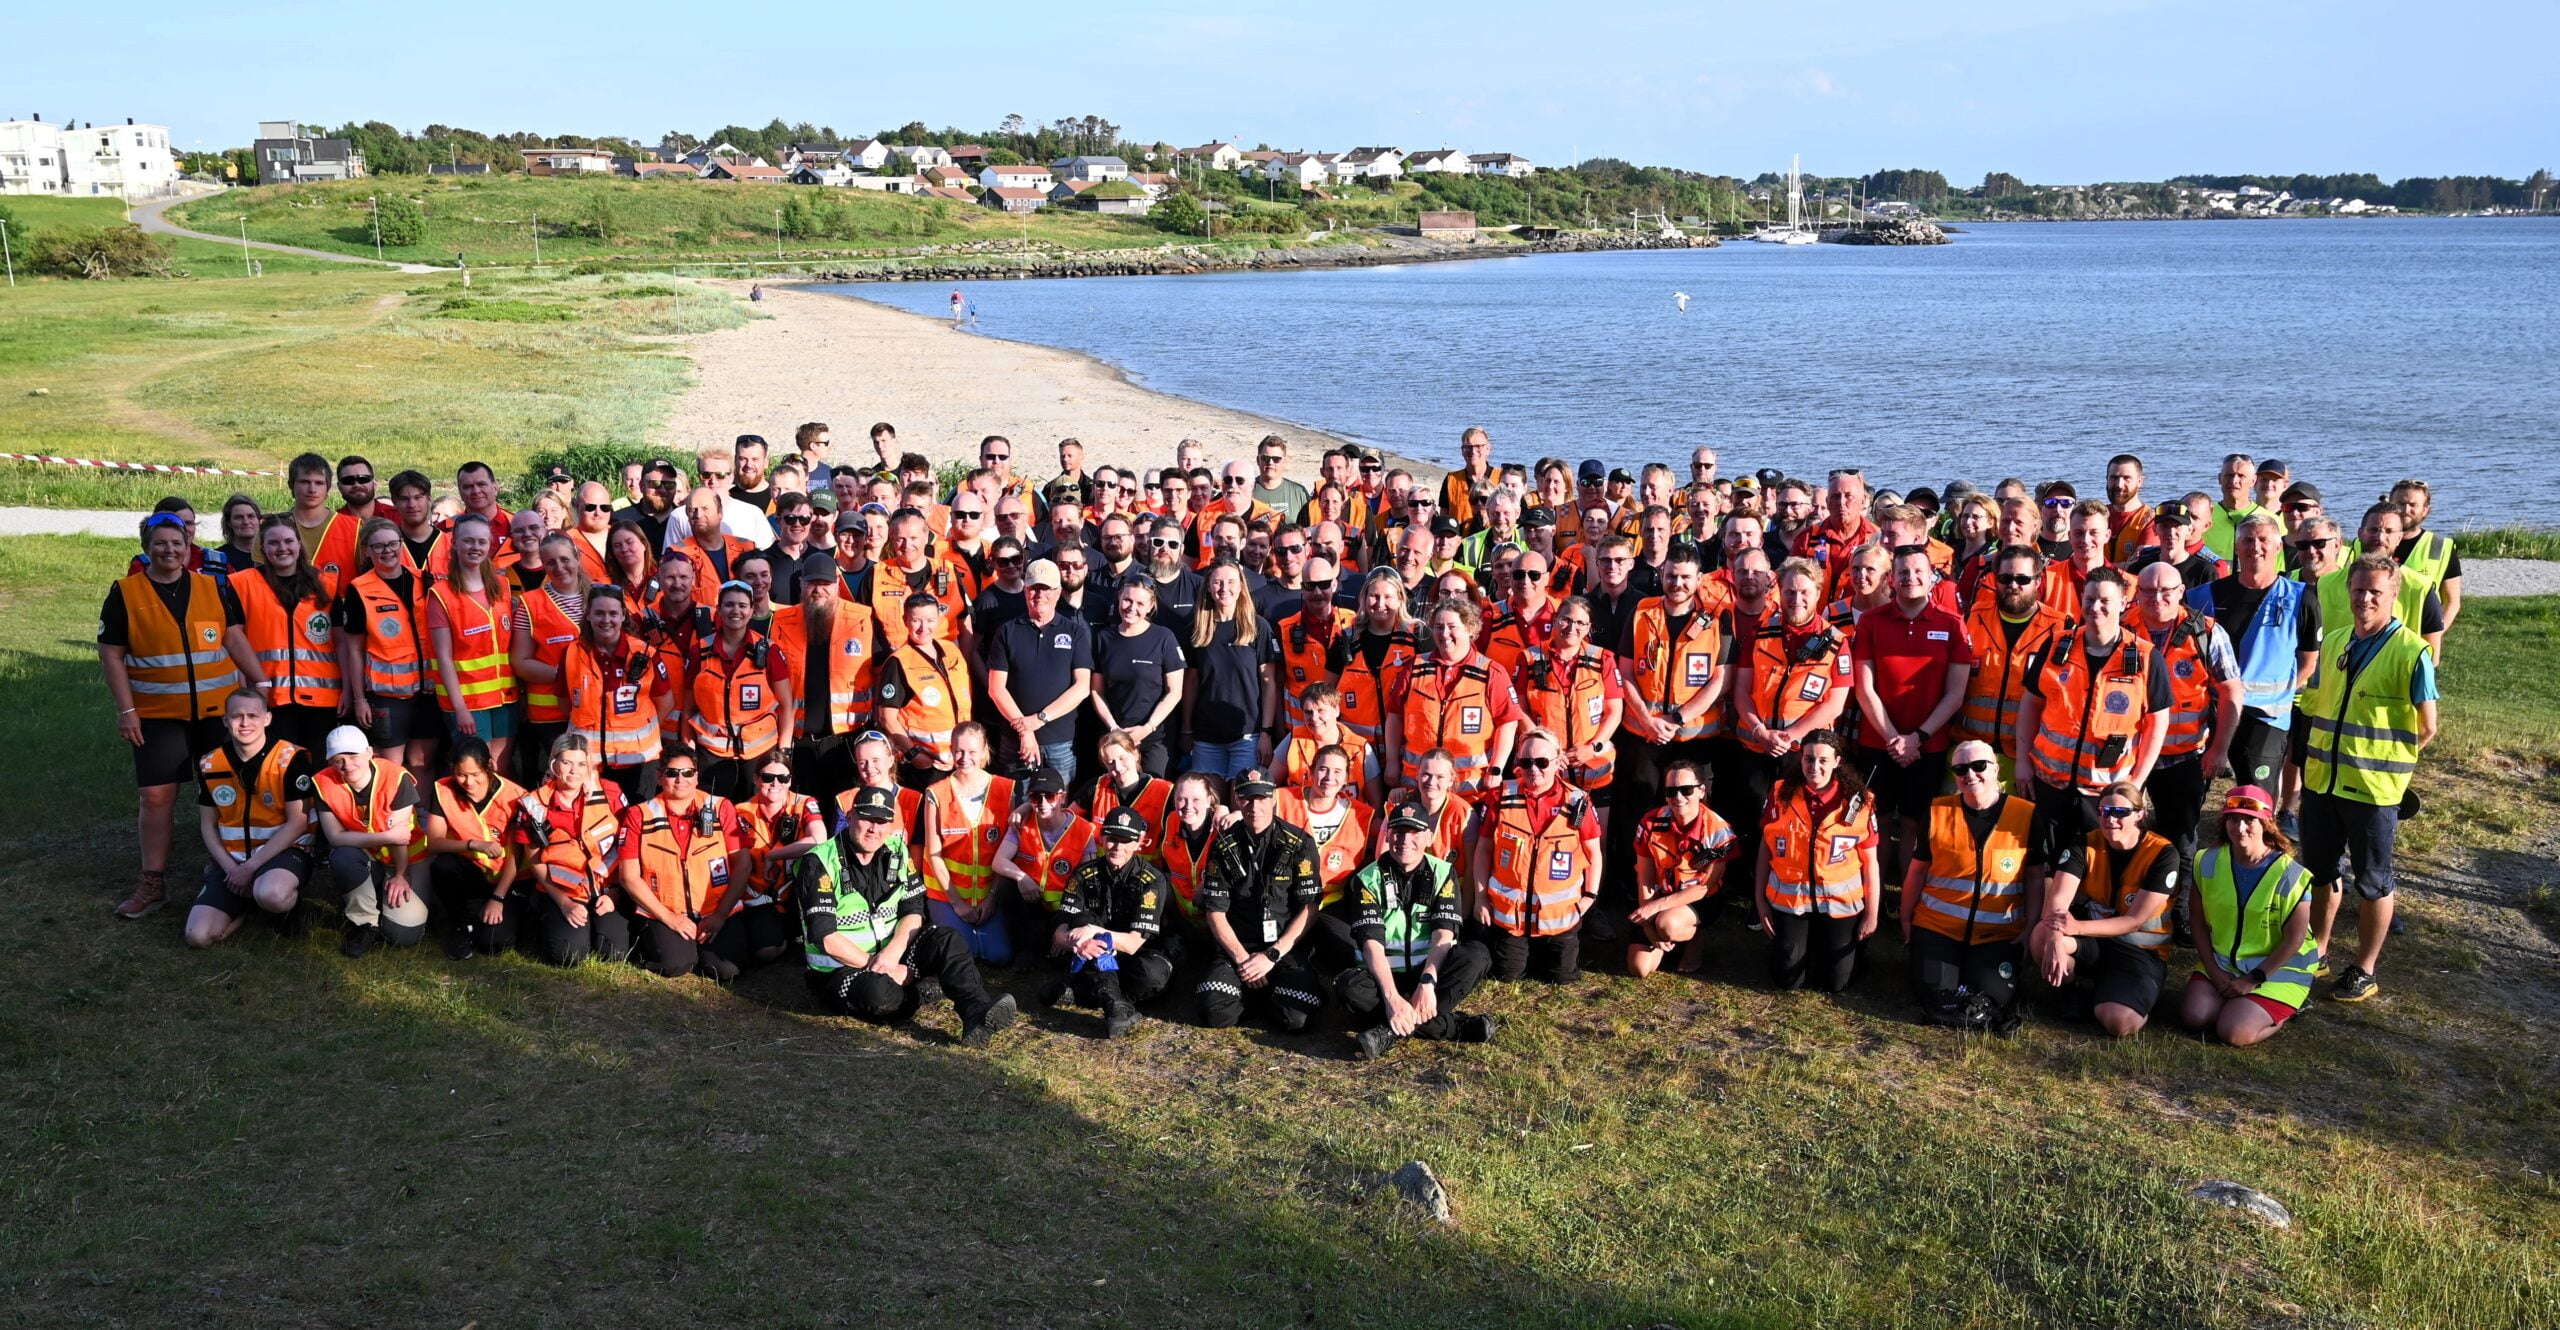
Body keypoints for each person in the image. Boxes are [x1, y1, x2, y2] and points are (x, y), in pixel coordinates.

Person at [101, 513, 259, 919]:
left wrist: (261, 685)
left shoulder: (211, 586)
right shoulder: (125, 592)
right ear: (146, 547)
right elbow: (112, 654)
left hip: (216, 715)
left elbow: (232, 637)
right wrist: (127, 711)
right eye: (160, 543)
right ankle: (152, 881)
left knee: (228, 791)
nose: (169, 550)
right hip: (157, 715)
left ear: (189, 546)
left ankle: (236, 871)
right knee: (156, 797)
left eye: (177, 542)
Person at [2299, 555, 2438, 1004]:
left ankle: (2364, 967)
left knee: (2373, 880)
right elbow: (2315, 701)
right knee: (2321, 870)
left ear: (2394, 594)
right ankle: (2318, 948)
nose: (2365, 599)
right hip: (2323, 781)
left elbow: (2427, 726)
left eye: (2376, 591)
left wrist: (2386, 761)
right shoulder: (2336, 640)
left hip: (2374, 790)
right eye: (2358, 590)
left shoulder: (2412, 651)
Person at [799, 786, 1019, 1045]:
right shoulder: (820, 861)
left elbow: (913, 911)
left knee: (947, 938)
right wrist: (880, 967)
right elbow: (826, 938)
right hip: (840, 969)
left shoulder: (897, 849)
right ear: (851, 816)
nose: (874, 829)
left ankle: (976, 1010)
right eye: (867, 818)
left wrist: (892, 955)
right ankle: (917, 994)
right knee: (878, 995)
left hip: (889, 954)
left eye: (882, 821)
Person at [2015, 569, 2170, 871]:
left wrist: (2136, 783)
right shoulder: (2057, 645)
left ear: (2124, 603)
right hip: (2049, 783)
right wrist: (2022, 761)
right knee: (2046, 863)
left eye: (2104, 600)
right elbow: (2030, 705)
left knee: (2096, 867)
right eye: (2089, 599)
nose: (2095, 607)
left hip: (2106, 791)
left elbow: (2157, 725)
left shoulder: (2145, 657)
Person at [1332, 796, 1496, 1059]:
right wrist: (1392, 998)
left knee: (1477, 955)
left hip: (1429, 972)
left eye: (1414, 832)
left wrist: (1428, 982)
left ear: (1429, 836)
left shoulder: (1444, 872)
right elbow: (1371, 944)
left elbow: (1444, 933)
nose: (1405, 840)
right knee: (1347, 986)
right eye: (1398, 832)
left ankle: (1388, 1031)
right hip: (1383, 975)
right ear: (1388, 836)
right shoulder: (1366, 879)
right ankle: (1455, 1026)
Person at [1851, 543, 1975, 885]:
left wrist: (1917, 738)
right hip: (1878, 742)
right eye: (1903, 572)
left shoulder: (1952, 624)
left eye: (1919, 571)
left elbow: (1955, 693)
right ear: (1891, 579)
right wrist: (1894, 738)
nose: (1911, 578)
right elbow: (1865, 688)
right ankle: (1869, 895)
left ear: (1932, 577)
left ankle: (1906, 894)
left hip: (1928, 746)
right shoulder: (1872, 623)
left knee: (1913, 822)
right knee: (1877, 820)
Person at [1901, 740, 2042, 1032]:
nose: (1970, 774)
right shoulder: (1938, 811)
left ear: (1996, 770)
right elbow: (1917, 872)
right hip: (1938, 928)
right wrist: (1905, 918)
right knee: (1938, 1000)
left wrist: (2031, 927)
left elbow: (2035, 877)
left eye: (1979, 767)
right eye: (1960, 768)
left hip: (1997, 934)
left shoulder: (2025, 814)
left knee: (1986, 1002)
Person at [2027, 780, 2177, 1038]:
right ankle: (2073, 988)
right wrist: (2054, 937)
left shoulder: (2163, 854)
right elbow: (2058, 900)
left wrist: (2077, 927)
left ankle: (2119, 993)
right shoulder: (2083, 844)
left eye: (2120, 812)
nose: (2110, 820)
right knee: (2041, 936)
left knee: (2120, 1024)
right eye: (2104, 812)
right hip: (2092, 943)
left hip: (2138, 951)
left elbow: (2133, 921)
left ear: (2140, 814)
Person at [2182, 785, 2320, 1047]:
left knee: (2233, 1033)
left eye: (2249, 820)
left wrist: (2252, 980)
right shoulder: (2206, 861)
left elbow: (2295, 939)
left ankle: (2287, 1008)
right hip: (2224, 963)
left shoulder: (2292, 875)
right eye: (2233, 819)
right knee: (2195, 1017)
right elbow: (2197, 922)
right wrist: (2213, 970)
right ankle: (2237, 1002)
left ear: (2266, 823)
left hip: (2279, 969)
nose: (2240, 827)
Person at [2131, 562, 2243, 881]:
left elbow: (2231, 691)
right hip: (2130, 755)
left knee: (2180, 839)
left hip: (2184, 757)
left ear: (2181, 592)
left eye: (2166, 590)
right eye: (2149, 590)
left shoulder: (2205, 631)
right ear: (2137, 592)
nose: (2157, 597)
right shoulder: (2121, 628)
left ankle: (2179, 911)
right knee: (2123, 829)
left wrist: (2219, 749)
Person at [181, 691, 319, 948]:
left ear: (267, 718)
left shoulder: (290, 758)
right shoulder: (210, 763)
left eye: (252, 715)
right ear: (225, 720)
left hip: (283, 853)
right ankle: (246, 904)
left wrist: (250, 868)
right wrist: (232, 868)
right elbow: (207, 826)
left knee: (272, 895)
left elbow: (298, 823)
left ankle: (280, 904)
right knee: (197, 937)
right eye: (237, 716)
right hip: (233, 862)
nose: (245, 723)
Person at [2193, 513, 2318, 793]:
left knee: (2257, 795)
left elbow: (2308, 661)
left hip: (2266, 715)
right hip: (2211, 709)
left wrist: (2281, 691)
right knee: (2195, 786)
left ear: (2277, 547)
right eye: (2247, 540)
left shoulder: (2302, 598)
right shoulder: (2204, 596)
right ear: (2237, 548)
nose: (2255, 547)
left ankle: (2257, 836)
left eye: (2263, 540)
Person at [1194, 769, 1326, 1031]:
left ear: (1274, 798)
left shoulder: (1299, 842)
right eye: (1247, 798)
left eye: (1262, 798)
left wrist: (1272, 955)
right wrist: (1243, 959)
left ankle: (1266, 991)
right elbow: (1215, 911)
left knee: (1295, 1020)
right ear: (1237, 800)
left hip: (1283, 948)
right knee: (1214, 1012)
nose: (1255, 807)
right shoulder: (1223, 845)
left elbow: (1310, 907)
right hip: (1238, 948)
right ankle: (1256, 990)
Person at [1471, 729, 1604, 983]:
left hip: (1559, 918)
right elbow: (1483, 849)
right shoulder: (1500, 797)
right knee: (1507, 975)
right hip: (1512, 918)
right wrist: (1480, 898)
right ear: (1517, 764)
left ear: (1557, 762)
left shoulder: (1578, 802)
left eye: (1542, 762)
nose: (1534, 769)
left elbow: (1594, 853)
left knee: (1562, 978)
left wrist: (1590, 897)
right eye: (1526, 762)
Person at [1756, 729, 1880, 994]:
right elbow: (1765, 848)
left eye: (1823, 760)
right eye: (1809, 759)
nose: (1815, 767)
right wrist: (1760, 903)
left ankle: (1846, 952)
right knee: (1787, 981)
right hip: (1793, 901)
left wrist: (1871, 914)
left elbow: (1871, 863)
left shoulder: (1861, 802)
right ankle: (1803, 945)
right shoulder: (1780, 793)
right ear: (1800, 759)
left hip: (1839, 904)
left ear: (1837, 762)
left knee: (1836, 984)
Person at [618, 740, 751, 982]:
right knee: (676, 964)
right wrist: (670, 918)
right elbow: (628, 876)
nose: (681, 779)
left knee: (725, 971)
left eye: (688, 772)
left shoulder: (722, 807)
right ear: (660, 777)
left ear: (697, 776)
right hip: (665, 911)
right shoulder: (639, 814)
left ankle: (702, 948)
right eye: (672, 773)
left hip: (716, 910)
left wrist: (721, 914)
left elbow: (743, 864)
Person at [1047, 806, 1180, 1038]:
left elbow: (1131, 944)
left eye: (1125, 840)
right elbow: (1060, 934)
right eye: (1111, 839)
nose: (1116, 847)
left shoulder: (1152, 879)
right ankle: (1116, 1006)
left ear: (1139, 842)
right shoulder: (1084, 875)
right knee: (1085, 923)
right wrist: (1080, 943)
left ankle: (1086, 991)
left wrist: (1093, 931)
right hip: (1090, 953)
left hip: (1137, 955)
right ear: (1102, 837)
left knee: (1152, 976)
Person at [308, 723, 431, 956]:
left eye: (353, 755)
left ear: (368, 753)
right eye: (338, 759)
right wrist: (384, 836)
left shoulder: (395, 776)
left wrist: (401, 874)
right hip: (368, 853)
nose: (346, 765)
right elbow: (335, 837)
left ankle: (379, 895)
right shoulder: (323, 783)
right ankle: (364, 922)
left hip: (407, 857)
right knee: (343, 857)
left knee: (402, 936)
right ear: (329, 762)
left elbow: (401, 837)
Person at [510, 734, 631, 967]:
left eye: (581, 764)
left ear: (590, 766)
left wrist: (615, 893)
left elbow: (627, 847)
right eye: (566, 763)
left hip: (607, 889)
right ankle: (543, 917)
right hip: (562, 892)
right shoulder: (534, 804)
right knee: (567, 957)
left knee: (615, 953)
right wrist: (564, 903)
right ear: (554, 763)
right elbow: (535, 861)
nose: (574, 771)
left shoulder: (611, 793)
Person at [1388, 596, 1522, 795]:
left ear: (1470, 629)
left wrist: (1496, 768)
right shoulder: (1414, 667)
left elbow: (1508, 722)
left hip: (1471, 789)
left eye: (1452, 626)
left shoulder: (1491, 672)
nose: (1444, 634)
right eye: (1438, 626)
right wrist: (1391, 763)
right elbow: (1395, 716)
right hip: (1419, 786)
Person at [235, 516, 346, 753]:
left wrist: (348, 690)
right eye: (273, 543)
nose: (282, 548)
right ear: (262, 547)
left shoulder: (326, 583)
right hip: (270, 697)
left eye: (288, 541)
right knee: (278, 769)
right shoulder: (242, 584)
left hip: (322, 699)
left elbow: (342, 642)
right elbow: (235, 642)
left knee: (318, 769)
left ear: (299, 544)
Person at [769, 571, 876, 808]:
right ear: (801, 585)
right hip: (799, 740)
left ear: (838, 584)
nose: (818, 590)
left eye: (825, 583)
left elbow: (879, 670)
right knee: (804, 812)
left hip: (845, 739)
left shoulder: (863, 618)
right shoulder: (781, 620)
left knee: (844, 812)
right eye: (811, 583)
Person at [560, 585, 671, 803]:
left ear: (623, 615)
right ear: (588, 615)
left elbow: (665, 702)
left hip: (639, 762)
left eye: (613, 613)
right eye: (599, 613)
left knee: (636, 822)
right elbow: (565, 702)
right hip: (589, 763)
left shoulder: (645, 654)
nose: (606, 620)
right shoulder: (571, 653)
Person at [684, 579, 792, 801]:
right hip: (711, 755)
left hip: (760, 755)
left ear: (752, 610)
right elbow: (688, 707)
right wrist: (688, 750)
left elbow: (787, 704)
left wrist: (782, 753)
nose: (736, 611)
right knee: (712, 818)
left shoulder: (769, 651)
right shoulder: (700, 652)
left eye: (742, 605)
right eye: (729, 605)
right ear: (719, 609)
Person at [986, 558, 1094, 778]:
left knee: (1057, 807)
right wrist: (1025, 731)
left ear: (1057, 592)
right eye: (1033, 588)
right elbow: (996, 689)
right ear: (1025, 591)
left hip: (1060, 741)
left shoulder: (1075, 632)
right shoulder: (1007, 631)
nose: (1039, 595)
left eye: (1046, 589)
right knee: (1016, 807)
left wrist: (1038, 720)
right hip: (1015, 740)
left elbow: (1082, 687)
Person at [1626, 760, 1735, 978]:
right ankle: (1662, 936)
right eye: (1671, 791)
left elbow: (1705, 887)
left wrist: (1656, 908)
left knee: (1668, 925)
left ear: (1701, 791)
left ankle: (1694, 939)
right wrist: (1648, 924)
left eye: (1686, 790)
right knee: (1638, 969)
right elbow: (1645, 878)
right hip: (1658, 896)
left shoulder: (1719, 831)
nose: (1678, 798)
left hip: (1698, 899)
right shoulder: (1650, 822)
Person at [1514, 595, 1623, 801]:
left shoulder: (1603, 659)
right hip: (1546, 765)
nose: (1572, 627)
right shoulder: (1528, 658)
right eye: (1566, 619)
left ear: (1588, 627)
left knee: (1595, 831)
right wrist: (1548, 749)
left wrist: (1592, 748)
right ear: (1555, 620)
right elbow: (1519, 709)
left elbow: (1614, 712)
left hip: (1593, 766)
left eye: (1580, 622)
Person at [426, 737, 526, 960]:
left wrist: (498, 898)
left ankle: (517, 911)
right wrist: (472, 845)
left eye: (475, 775)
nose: (468, 782)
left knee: (493, 944)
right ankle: (461, 926)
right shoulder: (442, 790)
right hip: (474, 870)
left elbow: (517, 856)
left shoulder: (515, 796)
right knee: (443, 866)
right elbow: (433, 842)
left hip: (511, 878)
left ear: (489, 767)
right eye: (461, 775)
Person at [1182, 561, 1279, 780]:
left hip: (1247, 736)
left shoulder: (1257, 627)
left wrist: (1266, 732)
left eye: (1231, 582)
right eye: (1217, 582)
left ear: (1241, 586)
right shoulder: (1197, 630)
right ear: (1208, 587)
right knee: (1206, 805)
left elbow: (1268, 683)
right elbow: (1191, 683)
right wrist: (1186, 729)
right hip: (1206, 738)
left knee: (1241, 804)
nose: (1224, 588)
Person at [1090, 579, 1186, 777]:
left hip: (1154, 740)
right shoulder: (1104, 639)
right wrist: (1114, 728)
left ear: (1151, 606)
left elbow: (1174, 691)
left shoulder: (1164, 637)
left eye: (1140, 603)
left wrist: (1147, 728)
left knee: (1153, 797)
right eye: (1127, 600)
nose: (1132, 608)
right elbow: (1096, 691)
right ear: (1119, 598)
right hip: (1115, 741)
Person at [1276, 744, 1372, 906]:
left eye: (1337, 771)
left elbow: (1389, 831)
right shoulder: (1280, 799)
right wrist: (1231, 813)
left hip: (1330, 900)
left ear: (1346, 778)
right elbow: (1253, 808)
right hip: (1284, 894)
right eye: (1323, 769)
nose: (1329, 777)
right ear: (1312, 771)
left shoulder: (1361, 814)